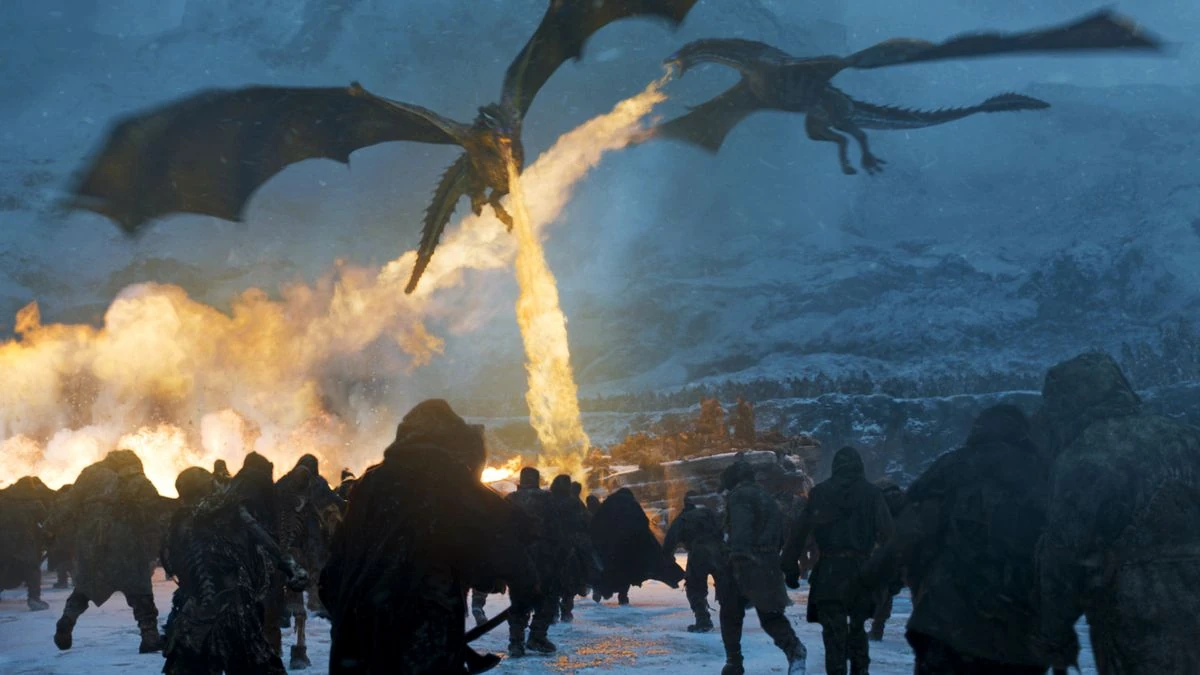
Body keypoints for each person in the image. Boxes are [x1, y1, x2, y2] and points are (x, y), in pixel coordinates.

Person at [320, 399, 538, 674]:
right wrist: (525, 591)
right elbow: (508, 538)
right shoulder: (451, 481)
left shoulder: (369, 484)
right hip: (423, 632)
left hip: (360, 633)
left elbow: (333, 572)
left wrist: (349, 611)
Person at [1035, 352, 1200, 673]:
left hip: (1136, 624)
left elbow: (1063, 557)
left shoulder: (1082, 457)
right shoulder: (1190, 439)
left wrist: (1054, 633)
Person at [865, 405, 1052, 674]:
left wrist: (869, 579)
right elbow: (1065, 546)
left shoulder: (952, 467)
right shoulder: (1042, 474)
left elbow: (909, 534)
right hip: (1018, 623)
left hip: (949, 617)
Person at [161, 466, 307, 675]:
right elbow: (264, 540)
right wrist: (291, 568)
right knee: (255, 664)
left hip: (196, 610)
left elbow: (171, 562)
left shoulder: (179, 521)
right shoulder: (229, 510)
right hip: (232, 609)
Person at [783, 447, 892, 675]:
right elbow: (888, 537)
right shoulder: (872, 494)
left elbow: (799, 532)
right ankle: (860, 671)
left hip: (829, 572)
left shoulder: (820, 493)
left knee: (833, 636)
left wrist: (789, 566)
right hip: (861, 573)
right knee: (858, 630)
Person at [52, 450, 165, 654]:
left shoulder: (90, 475)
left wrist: (51, 528)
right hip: (127, 545)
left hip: (91, 544)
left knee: (84, 588)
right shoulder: (137, 480)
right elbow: (153, 512)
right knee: (140, 593)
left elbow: (68, 504)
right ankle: (149, 635)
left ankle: (68, 618)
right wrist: (154, 546)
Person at [718, 461, 806, 675]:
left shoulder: (739, 496)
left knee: (730, 613)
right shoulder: (767, 497)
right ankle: (794, 650)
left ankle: (734, 662)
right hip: (768, 564)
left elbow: (741, 531)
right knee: (770, 615)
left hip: (746, 563)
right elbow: (781, 534)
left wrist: (738, 558)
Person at [591, 488, 684, 606]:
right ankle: (623, 596)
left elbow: (597, 522)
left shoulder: (609, 503)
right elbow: (643, 522)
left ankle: (600, 590)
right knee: (627, 570)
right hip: (629, 545)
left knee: (609, 569)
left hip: (611, 545)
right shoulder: (632, 504)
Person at [506, 468, 564, 655]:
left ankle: (516, 642)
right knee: (547, 597)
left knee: (518, 598)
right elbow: (556, 529)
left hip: (517, 557)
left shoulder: (510, 499)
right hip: (543, 557)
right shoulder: (547, 499)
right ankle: (537, 636)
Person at [662, 490, 724, 632]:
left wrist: (668, 558)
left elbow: (670, 541)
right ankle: (730, 617)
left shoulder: (682, 518)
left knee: (695, 587)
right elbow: (723, 529)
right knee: (724, 585)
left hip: (698, 553)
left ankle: (703, 620)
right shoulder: (710, 514)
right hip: (719, 551)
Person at [0, 476, 52, 611]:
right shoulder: (33, 501)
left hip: (3, 540)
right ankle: (34, 599)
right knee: (32, 569)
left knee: (3, 565)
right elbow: (45, 518)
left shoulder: (3, 498)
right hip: (23, 540)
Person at [549, 474, 595, 623]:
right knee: (571, 580)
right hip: (571, 546)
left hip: (549, 546)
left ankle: (553, 611)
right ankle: (566, 611)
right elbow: (585, 521)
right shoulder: (574, 502)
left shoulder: (547, 499)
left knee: (551, 582)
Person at [867, 478, 906, 641]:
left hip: (889, 551)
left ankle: (877, 628)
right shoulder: (907, 501)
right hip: (911, 550)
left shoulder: (880, 502)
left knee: (884, 589)